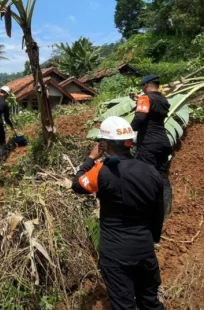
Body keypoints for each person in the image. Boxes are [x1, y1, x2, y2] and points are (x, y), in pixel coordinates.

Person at [72, 116, 164, 310]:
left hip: (116, 252)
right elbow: (158, 213)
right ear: (129, 143)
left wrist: (89, 159)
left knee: (123, 305)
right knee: (150, 302)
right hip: (145, 248)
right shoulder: (151, 172)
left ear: (104, 145)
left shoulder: (102, 171)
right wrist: (152, 239)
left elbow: (77, 185)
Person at [131, 74, 173, 216]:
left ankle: (142, 210)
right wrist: (140, 100)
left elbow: (140, 118)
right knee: (161, 176)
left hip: (148, 144)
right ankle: (165, 211)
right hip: (163, 142)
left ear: (146, 85)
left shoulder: (145, 98)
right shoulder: (163, 99)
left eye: (142, 87)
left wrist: (129, 130)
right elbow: (153, 110)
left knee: (141, 174)